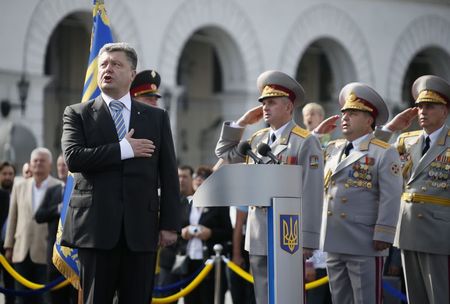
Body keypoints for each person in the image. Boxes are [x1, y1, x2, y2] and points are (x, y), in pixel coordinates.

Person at [60, 42, 181, 304]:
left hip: (141, 230)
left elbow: (169, 174)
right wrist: (122, 149)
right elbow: (73, 158)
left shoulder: (156, 117)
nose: (108, 69)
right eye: (104, 64)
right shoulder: (78, 114)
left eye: (116, 64)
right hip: (95, 229)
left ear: (132, 74)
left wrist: (170, 224)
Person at [215, 70, 324, 304]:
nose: (265, 107)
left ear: (288, 107)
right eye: (263, 102)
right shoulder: (257, 140)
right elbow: (224, 153)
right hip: (258, 233)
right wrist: (242, 123)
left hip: (289, 234)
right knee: (263, 297)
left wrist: (308, 239)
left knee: (289, 296)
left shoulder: (305, 141)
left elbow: (312, 193)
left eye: (272, 102)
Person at [319, 83, 403, 304]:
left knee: (366, 299)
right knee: (340, 299)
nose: (345, 118)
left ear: (369, 121)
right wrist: (317, 133)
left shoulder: (384, 152)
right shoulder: (334, 149)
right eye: (344, 113)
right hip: (334, 238)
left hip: (364, 240)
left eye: (353, 113)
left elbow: (391, 196)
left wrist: (384, 234)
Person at [375, 75, 450, 304]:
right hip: (408, 229)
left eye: (430, 107)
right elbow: (372, 156)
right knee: (415, 297)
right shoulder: (406, 140)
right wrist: (391, 128)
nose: (422, 111)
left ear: (444, 112)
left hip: (439, 231)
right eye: (419, 106)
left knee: (440, 294)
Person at [4, 148, 61, 304]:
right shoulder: (19, 185)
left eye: (42, 160)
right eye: (35, 160)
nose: (38, 164)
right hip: (21, 250)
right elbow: (13, 217)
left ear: (50, 165)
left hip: (45, 252)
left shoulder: (58, 187)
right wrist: (9, 245)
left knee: (43, 298)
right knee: (21, 298)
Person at [180, 165, 232, 304]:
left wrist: (211, 233)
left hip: (209, 262)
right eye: (197, 176)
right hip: (189, 261)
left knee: (208, 298)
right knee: (189, 299)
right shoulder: (187, 203)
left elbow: (228, 232)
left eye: (203, 177)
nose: (198, 180)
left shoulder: (219, 204)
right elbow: (177, 228)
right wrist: (183, 232)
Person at [35, 154, 77, 304]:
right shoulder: (52, 190)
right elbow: (39, 215)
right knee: (55, 298)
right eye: (59, 165)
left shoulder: (79, 188)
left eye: (64, 165)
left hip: (75, 255)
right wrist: (57, 209)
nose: (61, 168)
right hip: (55, 254)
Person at [301, 102, 332, 304]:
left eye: (314, 113)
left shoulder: (330, 145)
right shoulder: (301, 142)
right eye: (306, 114)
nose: (310, 117)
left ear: (321, 117)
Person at [156, 165, 193, 303]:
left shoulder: (196, 200)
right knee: (165, 298)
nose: (181, 180)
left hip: (193, 260)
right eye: (179, 176)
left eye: (185, 176)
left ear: (191, 178)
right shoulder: (165, 198)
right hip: (169, 258)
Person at [0, 161, 16, 304]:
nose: (7, 177)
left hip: (12, 248)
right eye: (4, 174)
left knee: (11, 285)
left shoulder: (19, 194)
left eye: (10, 174)